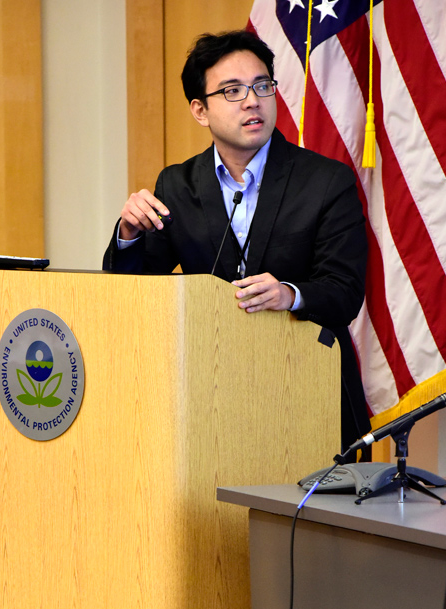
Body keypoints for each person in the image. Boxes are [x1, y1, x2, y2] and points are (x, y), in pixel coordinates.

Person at [103, 30, 372, 455]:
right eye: (232, 91)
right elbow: (133, 295)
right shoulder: (176, 185)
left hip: (308, 392)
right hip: (210, 397)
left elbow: (345, 292)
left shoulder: (326, 181)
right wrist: (129, 236)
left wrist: (289, 294)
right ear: (200, 110)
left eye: (262, 85)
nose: (253, 100)